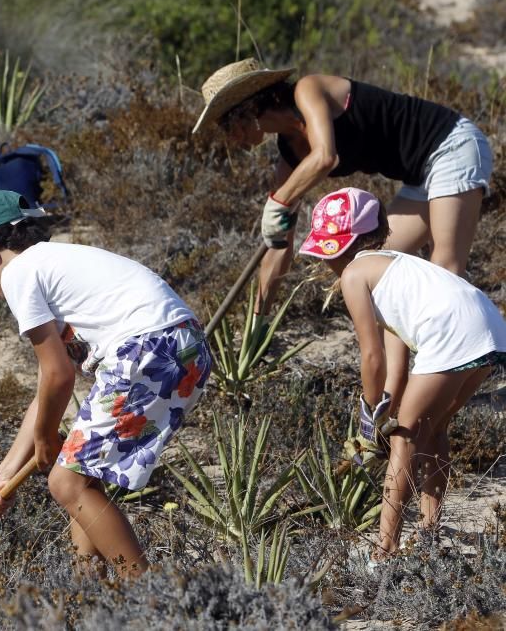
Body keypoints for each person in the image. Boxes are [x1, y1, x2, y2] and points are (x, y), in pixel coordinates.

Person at [192, 58, 493, 419]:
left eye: (227, 124)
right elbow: (278, 247)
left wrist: (279, 200)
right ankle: (393, 391)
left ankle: (444, 373)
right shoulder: (289, 152)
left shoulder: (309, 90)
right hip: (419, 175)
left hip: (451, 145)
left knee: (445, 266)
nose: (230, 137)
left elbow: (325, 156)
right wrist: (259, 319)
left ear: (250, 108)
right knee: (384, 269)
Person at [0, 190, 212, 578]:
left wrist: (45, 437)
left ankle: (156, 603)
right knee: (80, 477)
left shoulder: (20, 273)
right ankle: (86, 592)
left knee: (66, 483)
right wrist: (5, 474)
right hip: (183, 348)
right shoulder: (58, 263)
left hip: (145, 349)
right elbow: (46, 386)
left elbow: (60, 376)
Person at [297, 186, 506, 561]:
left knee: (405, 439)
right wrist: (384, 414)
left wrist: (368, 413)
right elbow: (396, 369)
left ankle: (384, 550)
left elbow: (372, 357)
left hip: (451, 334)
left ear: (344, 246)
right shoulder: (397, 269)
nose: (325, 262)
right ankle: (429, 530)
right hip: (490, 329)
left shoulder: (355, 274)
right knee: (433, 428)